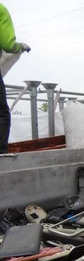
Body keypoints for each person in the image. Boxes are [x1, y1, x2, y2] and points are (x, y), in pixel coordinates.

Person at [0, 4, 30, 154]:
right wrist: (21, 47)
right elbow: (8, 44)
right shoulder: (1, 10)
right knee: (1, 112)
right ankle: (1, 157)